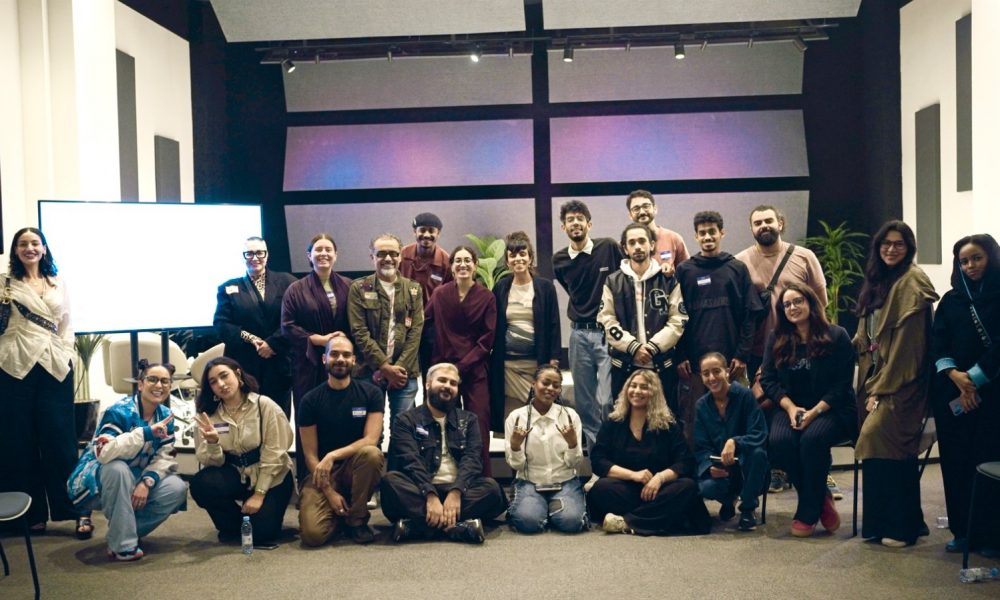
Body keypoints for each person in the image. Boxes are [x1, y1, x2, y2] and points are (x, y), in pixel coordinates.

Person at [854, 221, 938, 547]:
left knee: (883, 443)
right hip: (875, 380)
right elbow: (867, 335)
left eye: (898, 244)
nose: (891, 249)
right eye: (885, 243)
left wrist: (879, 390)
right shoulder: (879, 280)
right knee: (881, 453)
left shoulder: (913, 282)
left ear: (909, 248)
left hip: (901, 385)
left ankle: (901, 527)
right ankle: (890, 523)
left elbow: (908, 351)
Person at [735, 205, 827, 495]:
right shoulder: (741, 261)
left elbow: (820, 301)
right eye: (757, 222)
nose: (764, 226)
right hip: (759, 350)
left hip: (801, 348)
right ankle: (778, 467)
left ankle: (818, 470)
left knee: (807, 405)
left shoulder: (804, 256)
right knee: (767, 407)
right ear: (752, 228)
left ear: (780, 223)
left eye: (768, 220)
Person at [0, 227, 84, 536]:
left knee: (61, 440)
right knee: (19, 441)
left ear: (44, 248)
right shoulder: (4, 282)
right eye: (23, 244)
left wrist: (67, 352)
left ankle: (76, 509)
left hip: (54, 364)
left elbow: (66, 323)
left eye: (35, 243)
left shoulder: (57, 282)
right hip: (14, 365)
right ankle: (30, 514)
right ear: (15, 250)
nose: (29, 248)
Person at [761, 284, 857, 538]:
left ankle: (807, 511)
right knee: (780, 441)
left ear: (810, 302)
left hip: (831, 408)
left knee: (812, 440)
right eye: (787, 304)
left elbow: (842, 385)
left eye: (798, 301)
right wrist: (790, 407)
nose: (792, 307)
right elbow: (768, 380)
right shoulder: (776, 338)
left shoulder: (837, 335)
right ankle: (820, 497)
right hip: (790, 407)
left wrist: (814, 412)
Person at [70, 360, 187, 561]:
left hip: (136, 479)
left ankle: (122, 533)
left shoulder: (166, 415)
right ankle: (123, 545)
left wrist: (146, 482)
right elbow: (104, 453)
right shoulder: (118, 411)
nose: (159, 385)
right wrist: (145, 433)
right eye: (152, 379)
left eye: (165, 381)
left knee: (177, 488)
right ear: (140, 384)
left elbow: (165, 455)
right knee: (117, 469)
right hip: (96, 483)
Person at [381, 363, 506, 544]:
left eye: (453, 383)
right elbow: (411, 462)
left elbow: (472, 460)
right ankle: (458, 527)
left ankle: (417, 527)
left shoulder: (469, 420)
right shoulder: (405, 420)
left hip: (459, 491)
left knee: (492, 489)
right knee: (390, 482)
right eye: (442, 380)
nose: (447, 386)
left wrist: (456, 492)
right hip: (419, 491)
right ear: (428, 384)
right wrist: (430, 495)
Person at [931, 234, 1000, 554]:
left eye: (977, 258)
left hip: (993, 396)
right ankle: (963, 531)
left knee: (988, 462)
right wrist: (956, 376)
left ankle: (993, 536)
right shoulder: (951, 300)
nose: (970, 266)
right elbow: (938, 343)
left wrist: (973, 379)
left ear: (991, 258)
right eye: (964, 261)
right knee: (956, 462)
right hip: (954, 393)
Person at [587, 370, 710, 536]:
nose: (637, 391)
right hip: (626, 488)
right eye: (633, 386)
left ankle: (626, 522)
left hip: (660, 489)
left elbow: (685, 461)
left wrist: (659, 478)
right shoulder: (613, 422)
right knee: (601, 488)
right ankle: (659, 517)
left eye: (644, 387)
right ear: (626, 389)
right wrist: (633, 475)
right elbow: (598, 460)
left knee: (687, 486)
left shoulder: (668, 425)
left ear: (654, 392)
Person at [190, 357, 294, 546]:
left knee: (262, 534)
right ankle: (234, 524)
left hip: (271, 476)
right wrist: (213, 443)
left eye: (224, 376)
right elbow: (211, 462)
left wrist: (259, 494)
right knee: (202, 484)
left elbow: (275, 454)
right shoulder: (207, 414)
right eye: (213, 382)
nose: (221, 384)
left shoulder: (264, 405)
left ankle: (255, 521)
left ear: (238, 375)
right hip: (235, 473)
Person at [297, 335, 385, 546]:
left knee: (372, 454)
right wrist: (329, 492)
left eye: (346, 355)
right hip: (323, 472)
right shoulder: (310, 400)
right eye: (334, 354)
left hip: (356, 468)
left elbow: (371, 439)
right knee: (312, 536)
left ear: (353, 360)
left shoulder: (371, 394)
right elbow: (310, 455)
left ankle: (357, 520)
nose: (340, 359)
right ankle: (340, 516)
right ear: (324, 359)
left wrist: (333, 455)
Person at [675, 211, 765, 416]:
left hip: (732, 363)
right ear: (696, 237)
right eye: (702, 233)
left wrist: (742, 355)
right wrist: (680, 355)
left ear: (721, 233)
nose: (707, 237)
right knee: (696, 418)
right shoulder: (684, 271)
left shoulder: (737, 268)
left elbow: (750, 315)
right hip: (694, 365)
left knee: (736, 416)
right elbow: (675, 318)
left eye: (712, 232)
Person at [552, 200, 624, 449]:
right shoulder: (559, 260)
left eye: (580, 218)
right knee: (585, 404)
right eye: (570, 220)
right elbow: (573, 291)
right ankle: (597, 461)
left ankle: (614, 453)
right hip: (578, 335)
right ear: (563, 227)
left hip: (606, 333)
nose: (575, 223)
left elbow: (624, 277)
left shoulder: (608, 247)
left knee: (607, 400)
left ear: (589, 224)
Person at [597, 223, 686, 415]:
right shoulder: (613, 281)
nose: (637, 246)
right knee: (623, 421)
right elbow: (606, 320)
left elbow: (678, 320)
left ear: (652, 245)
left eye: (642, 241)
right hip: (624, 365)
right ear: (625, 248)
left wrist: (653, 347)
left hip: (662, 365)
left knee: (665, 421)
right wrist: (634, 347)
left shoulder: (668, 279)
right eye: (632, 242)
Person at [281, 233, 351, 476]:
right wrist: (319, 340)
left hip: (340, 363)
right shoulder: (295, 289)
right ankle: (308, 478)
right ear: (309, 256)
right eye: (318, 250)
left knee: (341, 418)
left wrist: (341, 341)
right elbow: (287, 326)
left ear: (335, 255)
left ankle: (342, 477)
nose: (323, 254)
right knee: (309, 418)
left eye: (328, 249)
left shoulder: (348, 285)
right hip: (308, 365)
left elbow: (356, 321)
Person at [425, 246, 497, 475]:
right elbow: (425, 324)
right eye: (458, 260)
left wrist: (462, 366)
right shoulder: (440, 294)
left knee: (479, 423)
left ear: (475, 266)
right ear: (452, 266)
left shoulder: (487, 297)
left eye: (467, 260)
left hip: (475, 370)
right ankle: (449, 476)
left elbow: (487, 339)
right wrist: (436, 367)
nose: (463, 264)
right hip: (444, 372)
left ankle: (482, 479)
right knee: (446, 424)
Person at [214, 236, 298, 416]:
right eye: (249, 253)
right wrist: (251, 338)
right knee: (246, 419)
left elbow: (295, 319)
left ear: (267, 255)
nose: (255, 258)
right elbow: (221, 325)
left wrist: (272, 344)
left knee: (277, 418)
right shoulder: (227, 287)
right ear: (243, 256)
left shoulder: (287, 282)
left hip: (278, 362)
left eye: (259, 253)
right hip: (244, 365)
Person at [347, 233, 423, 428]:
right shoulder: (359, 288)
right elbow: (359, 332)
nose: (388, 258)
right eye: (381, 254)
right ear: (372, 257)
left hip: (404, 373)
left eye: (393, 253)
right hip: (368, 370)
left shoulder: (413, 289)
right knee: (369, 431)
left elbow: (415, 332)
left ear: (400, 256)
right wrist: (384, 367)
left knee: (403, 431)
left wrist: (397, 369)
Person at [489, 231, 561, 430]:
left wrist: (554, 360)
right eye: (512, 255)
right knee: (512, 419)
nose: (518, 259)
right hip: (508, 367)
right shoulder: (501, 287)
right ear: (507, 261)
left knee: (538, 417)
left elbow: (554, 324)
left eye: (522, 254)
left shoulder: (545, 288)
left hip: (536, 365)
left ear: (530, 258)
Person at [504, 365, 587, 534]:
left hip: (564, 481)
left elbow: (573, 463)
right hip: (530, 482)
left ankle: (549, 508)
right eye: (545, 383)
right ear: (533, 384)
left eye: (556, 385)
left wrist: (572, 444)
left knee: (572, 522)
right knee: (528, 523)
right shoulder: (516, 417)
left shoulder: (570, 416)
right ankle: (548, 509)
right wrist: (515, 446)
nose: (550, 388)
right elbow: (517, 466)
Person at [693, 352, 768, 532]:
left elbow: (759, 432)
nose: (712, 378)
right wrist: (708, 466)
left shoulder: (745, 395)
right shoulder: (701, 405)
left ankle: (748, 508)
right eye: (706, 373)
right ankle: (728, 499)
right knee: (706, 487)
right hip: (722, 467)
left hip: (747, 464)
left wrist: (735, 442)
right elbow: (700, 446)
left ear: (726, 371)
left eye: (716, 371)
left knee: (758, 454)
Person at [399, 212, 451, 383]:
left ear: (438, 233)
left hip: (431, 324)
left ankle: (430, 399)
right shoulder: (402, 255)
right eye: (422, 230)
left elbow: (450, 294)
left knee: (431, 369)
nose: (426, 235)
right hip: (404, 322)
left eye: (431, 230)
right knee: (404, 370)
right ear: (414, 231)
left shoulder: (445, 261)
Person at [625, 189, 689, 274]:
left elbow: (687, 272)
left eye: (646, 206)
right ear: (630, 215)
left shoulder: (674, 238)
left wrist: (671, 275)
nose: (642, 212)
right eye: (636, 209)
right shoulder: (625, 244)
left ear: (655, 209)